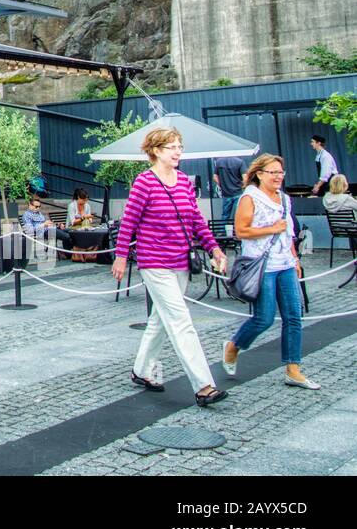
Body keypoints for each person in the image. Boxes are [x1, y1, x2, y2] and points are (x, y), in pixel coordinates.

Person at [111, 127, 228, 406]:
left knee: (161, 319)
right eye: (171, 147)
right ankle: (203, 385)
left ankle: (141, 371)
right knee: (180, 320)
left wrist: (213, 247)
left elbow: (196, 220)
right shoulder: (144, 182)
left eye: (179, 146)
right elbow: (129, 222)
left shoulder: (185, 182)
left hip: (181, 260)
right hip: (154, 261)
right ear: (156, 151)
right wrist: (121, 255)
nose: (178, 152)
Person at [221, 154, 317, 390]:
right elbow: (241, 231)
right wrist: (271, 228)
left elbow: (288, 233)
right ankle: (234, 345)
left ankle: (293, 369)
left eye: (280, 172)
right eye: (273, 172)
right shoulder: (249, 197)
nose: (278, 176)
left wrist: (295, 258)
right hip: (261, 265)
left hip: (284, 263)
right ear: (260, 174)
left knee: (294, 316)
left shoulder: (284, 199)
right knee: (263, 318)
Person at [212, 155, 246, 222]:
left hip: (226, 194)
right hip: (238, 193)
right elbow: (245, 178)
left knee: (225, 215)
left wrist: (222, 185)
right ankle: (237, 231)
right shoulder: (240, 162)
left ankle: (222, 231)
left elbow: (215, 177)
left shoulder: (219, 162)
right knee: (238, 214)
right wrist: (242, 187)